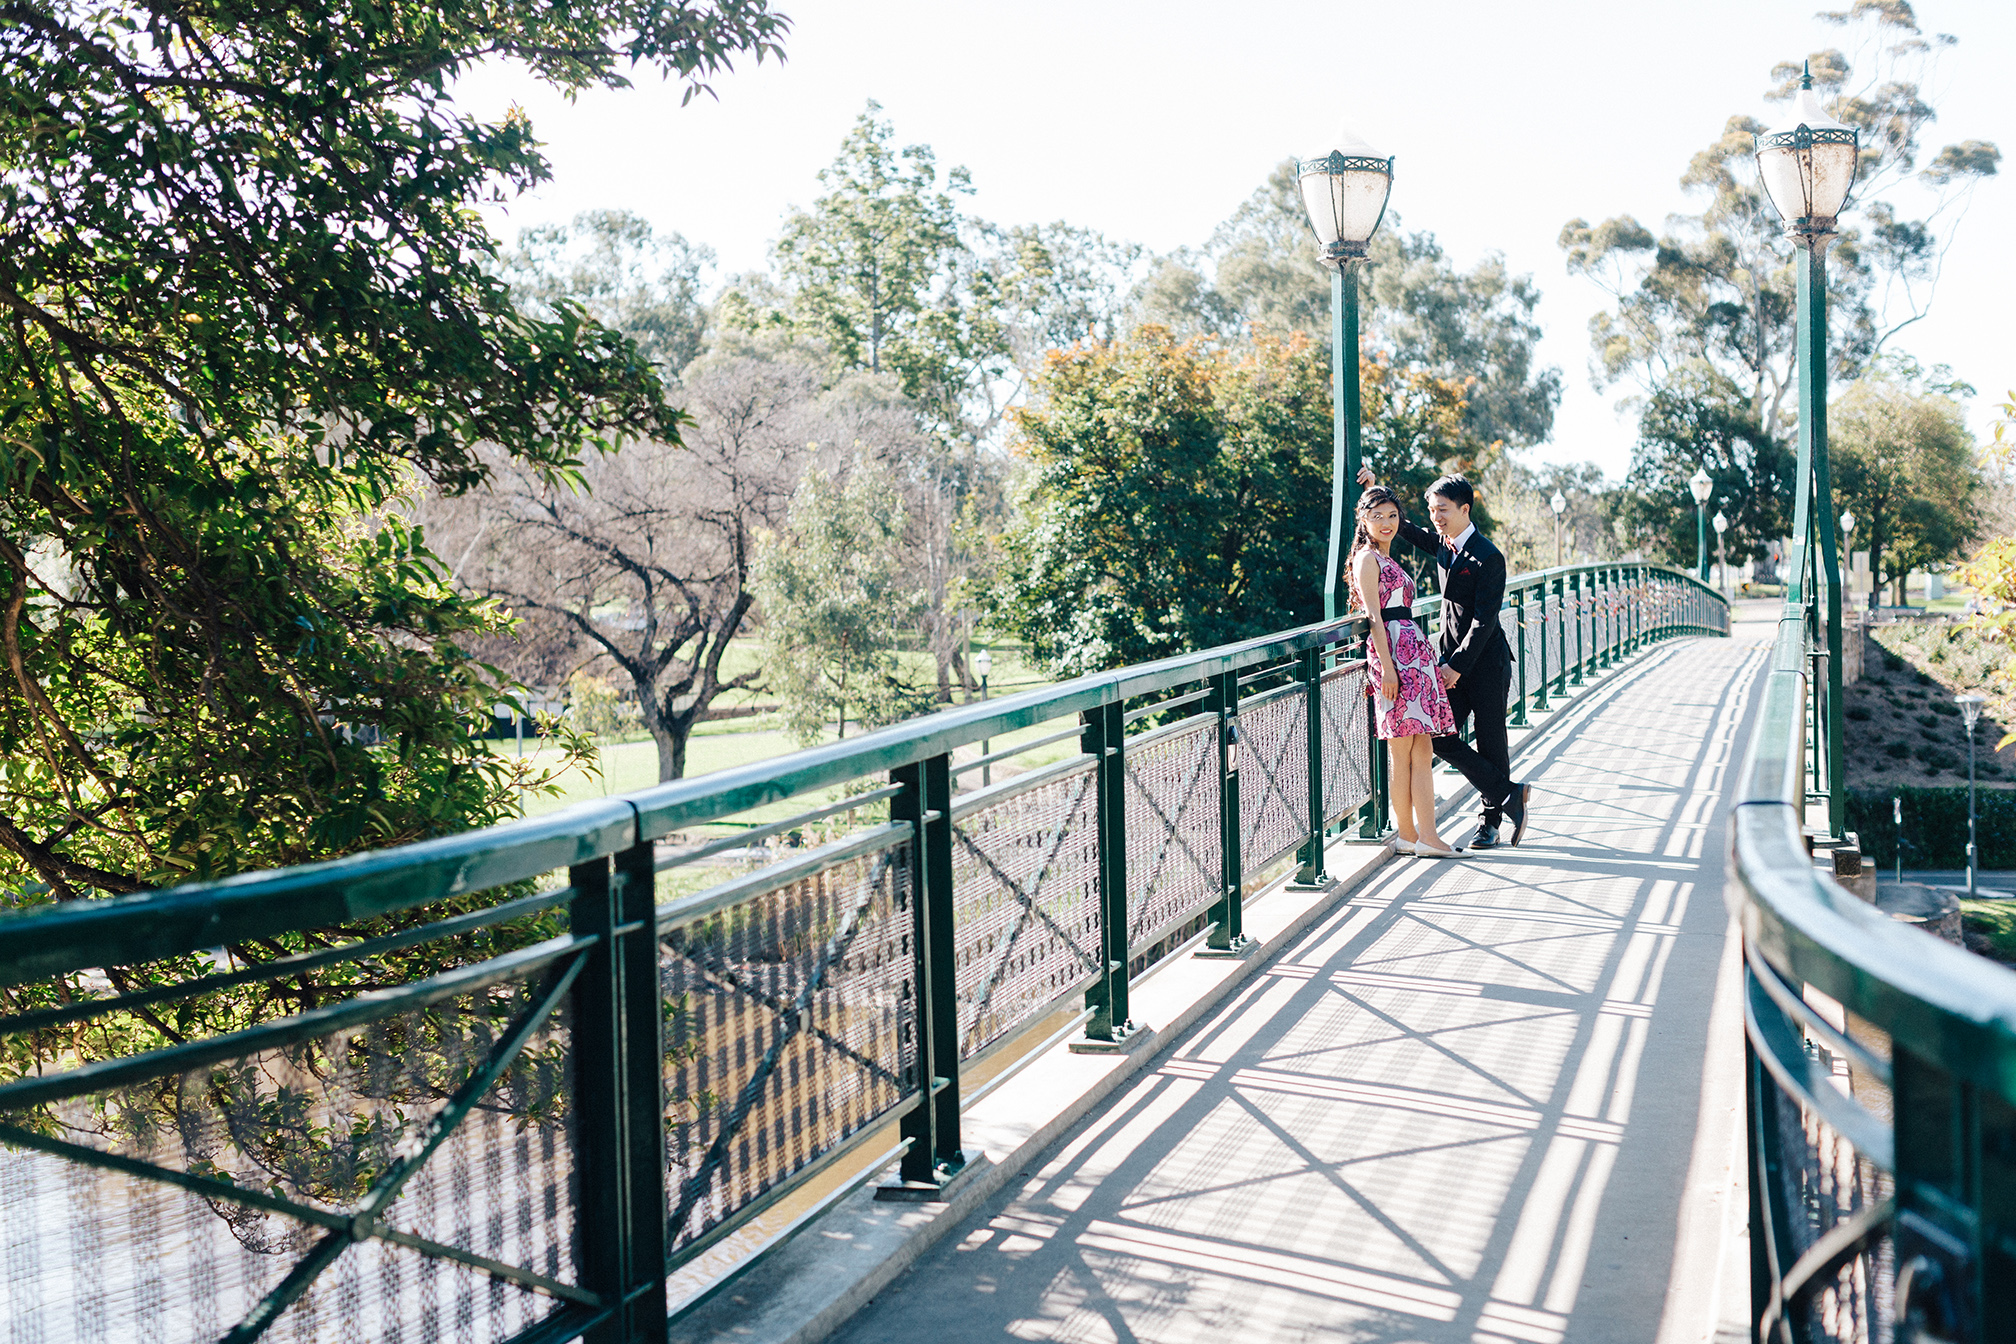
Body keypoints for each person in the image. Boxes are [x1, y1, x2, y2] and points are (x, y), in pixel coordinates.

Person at [1357, 466, 1533, 849]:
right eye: (1432, 510)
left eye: (1443, 510)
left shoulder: (1489, 557)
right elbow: (1400, 527)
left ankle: (1490, 822)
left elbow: (1485, 621)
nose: (1436, 517)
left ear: (1465, 509)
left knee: (1491, 742)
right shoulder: (1442, 545)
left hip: (1483, 664)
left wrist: (1457, 665)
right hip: (1443, 665)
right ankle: (1509, 795)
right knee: (1438, 738)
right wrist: (1375, 490)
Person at [1350, 486, 1459, 857]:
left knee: (1421, 748)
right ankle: (1413, 835)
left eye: (1392, 515)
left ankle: (1420, 836)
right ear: (1363, 520)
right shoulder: (1366, 559)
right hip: (1395, 658)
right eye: (1377, 516)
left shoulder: (1388, 557)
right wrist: (1388, 670)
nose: (1386, 523)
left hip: (1414, 656)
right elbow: (1373, 617)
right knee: (1402, 751)